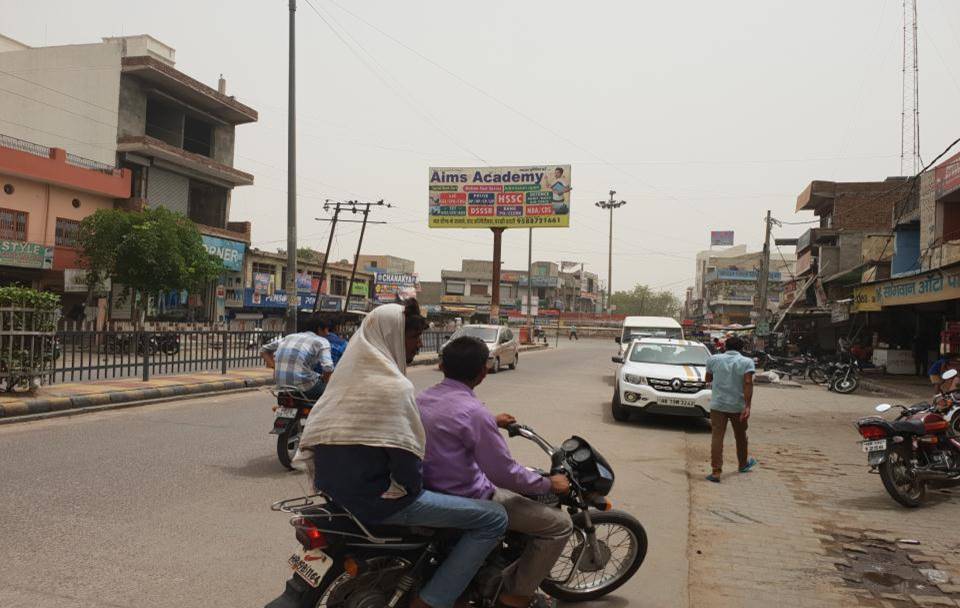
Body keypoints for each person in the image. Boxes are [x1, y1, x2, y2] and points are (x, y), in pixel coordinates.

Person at [293, 301, 508, 608]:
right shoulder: (394, 388)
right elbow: (406, 466)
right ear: (391, 336)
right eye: (413, 337)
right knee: (494, 518)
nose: (419, 344)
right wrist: (419, 485)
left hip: (337, 493)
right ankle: (433, 600)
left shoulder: (344, 381)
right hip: (378, 501)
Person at [417, 336, 572, 608]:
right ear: (483, 372)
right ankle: (516, 596)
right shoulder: (474, 413)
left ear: (442, 366)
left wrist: (491, 420)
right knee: (560, 525)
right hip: (468, 497)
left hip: (429, 489)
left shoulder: (422, 398)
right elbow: (504, 474)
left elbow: (450, 421)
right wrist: (550, 483)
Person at [704, 335, 757, 483]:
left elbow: (708, 379)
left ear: (725, 347)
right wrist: (747, 406)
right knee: (740, 436)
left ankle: (716, 472)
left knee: (717, 437)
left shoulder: (713, 359)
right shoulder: (747, 362)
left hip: (718, 405)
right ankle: (743, 464)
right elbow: (748, 383)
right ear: (742, 348)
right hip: (737, 406)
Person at [260, 316, 333, 400]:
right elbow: (328, 367)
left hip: (281, 385)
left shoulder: (289, 337)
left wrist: (274, 367)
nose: (328, 333)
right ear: (320, 329)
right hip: (305, 387)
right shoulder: (321, 341)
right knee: (333, 393)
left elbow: (263, 350)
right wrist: (325, 380)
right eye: (327, 329)